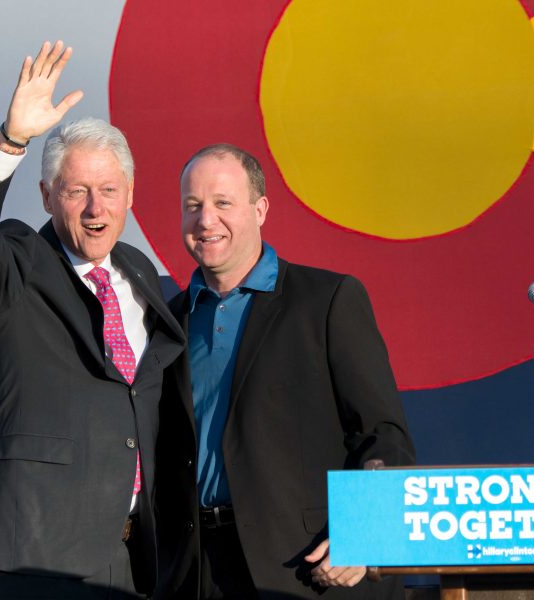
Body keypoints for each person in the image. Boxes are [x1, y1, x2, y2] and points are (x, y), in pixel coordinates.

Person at [0, 41, 185, 599]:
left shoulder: (140, 272)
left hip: (130, 560)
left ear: (129, 196)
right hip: (35, 558)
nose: (96, 209)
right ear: (48, 197)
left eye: (109, 191)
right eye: (77, 193)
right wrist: (11, 140)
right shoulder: (19, 265)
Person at [154, 144, 416, 599]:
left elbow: (383, 432)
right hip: (198, 573)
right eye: (192, 206)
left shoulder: (326, 300)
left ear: (260, 209)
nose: (205, 220)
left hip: (306, 571)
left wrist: (365, 534)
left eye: (222, 203)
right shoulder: (167, 322)